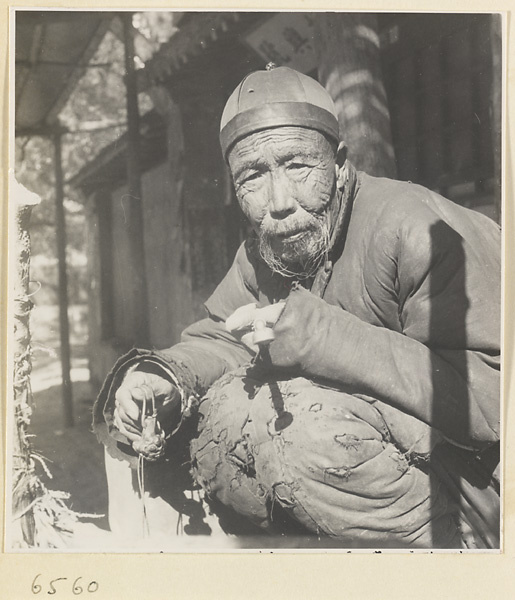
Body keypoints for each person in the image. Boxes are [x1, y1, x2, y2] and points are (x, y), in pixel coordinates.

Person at [93, 65, 501, 549]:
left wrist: (321, 337)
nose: (279, 201)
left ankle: (456, 551)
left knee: (303, 433)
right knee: (192, 416)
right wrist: (166, 376)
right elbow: (223, 337)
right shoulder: (267, 249)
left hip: (478, 489)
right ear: (233, 187)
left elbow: (495, 399)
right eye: (253, 177)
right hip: (371, 468)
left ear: (340, 161)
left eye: (298, 166)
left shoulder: (416, 230)